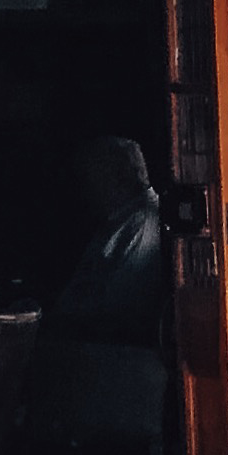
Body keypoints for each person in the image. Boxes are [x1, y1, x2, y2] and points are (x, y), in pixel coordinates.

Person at [43, 134, 169, 348]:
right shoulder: (120, 219)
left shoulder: (142, 223)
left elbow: (118, 307)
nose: (85, 191)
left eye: (90, 179)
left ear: (118, 178)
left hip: (113, 351)